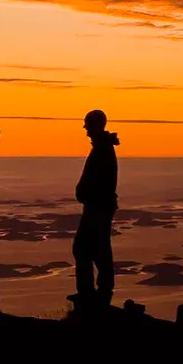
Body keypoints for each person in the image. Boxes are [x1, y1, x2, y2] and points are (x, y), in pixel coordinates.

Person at [72, 109, 118, 304]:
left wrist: (87, 194)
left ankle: (95, 292)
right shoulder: (102, 147)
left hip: (98, 207)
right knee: (92, 248)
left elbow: (101, 181)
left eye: (88, 125)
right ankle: (91, 291)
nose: (85, 129)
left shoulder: (103, 149)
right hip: (96, 206)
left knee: (88, 248)